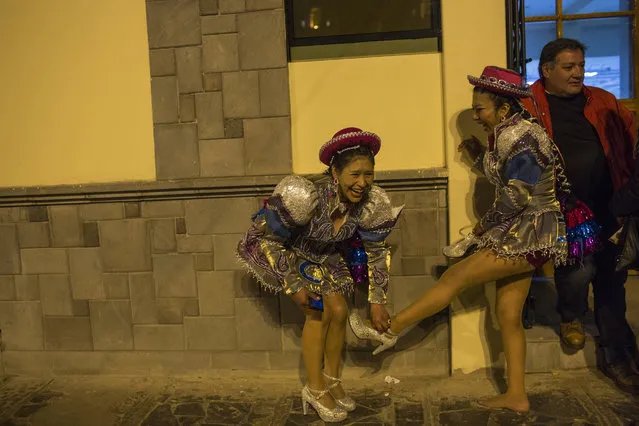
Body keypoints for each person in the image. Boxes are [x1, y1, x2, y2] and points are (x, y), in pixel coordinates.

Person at [349, 66, 567, 413]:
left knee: (455, 276)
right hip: (526, 232)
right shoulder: (509, 135)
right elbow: (505, 176)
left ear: (504, 109)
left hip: (527, 233)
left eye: (480, 108)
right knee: (508, 314)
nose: (477, 115)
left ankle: (391, 329)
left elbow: (517, 196)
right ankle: (517, 396)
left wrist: (482, 228)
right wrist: (478, 154)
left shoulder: (521, 137)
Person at [236, 127, 402, 422]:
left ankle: (333, 381)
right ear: (335, 174)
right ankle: (313, 389)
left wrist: (378, 301)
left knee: (339, 311)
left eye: (369, 174)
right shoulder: (306, 197)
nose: (363, 183)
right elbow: (267, 239)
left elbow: (376, 253)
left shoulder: (372, 204)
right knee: (317, 311)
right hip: (294, 255)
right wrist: (292, 283)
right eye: (355, 174)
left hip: (329, 257)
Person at [520, 38, 639, 393]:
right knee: (576, 271)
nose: (578, 74)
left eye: (580, 66)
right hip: (564, 212)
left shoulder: (601, 100)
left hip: (609, 204)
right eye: (569, 67)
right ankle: (571, 314)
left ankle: (618, 356)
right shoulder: (529, 105)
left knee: (612, 278)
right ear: (547, 71)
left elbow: (629, 137)